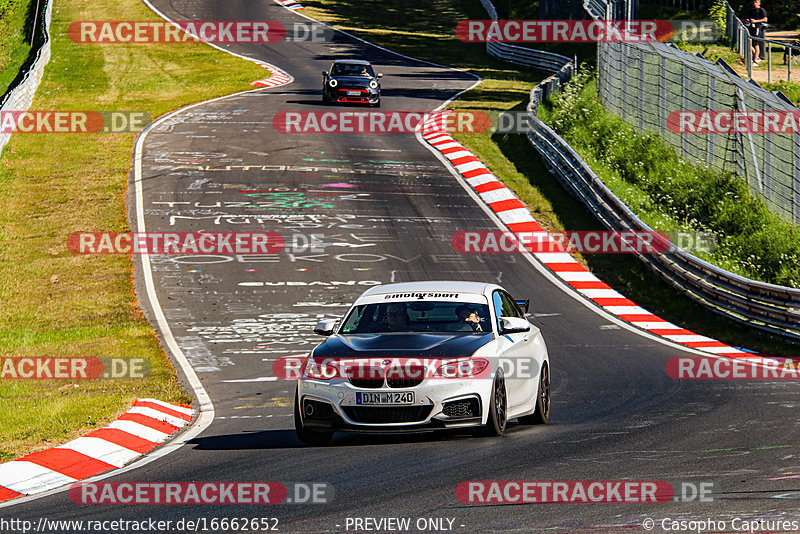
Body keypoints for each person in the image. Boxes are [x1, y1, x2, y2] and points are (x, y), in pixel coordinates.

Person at [743, 0, 768, 65]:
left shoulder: (761, 10)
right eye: (754, 2)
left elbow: (765, 19)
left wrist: (756, 21)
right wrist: (748, 21)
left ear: (759, 3)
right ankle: (756, 57)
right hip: (751, 28)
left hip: (758, 27)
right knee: (749, 43)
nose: (755, 3)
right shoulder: (751, 11)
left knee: (756, 44)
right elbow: (748, 19)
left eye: (756, 2)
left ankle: (755, 59)